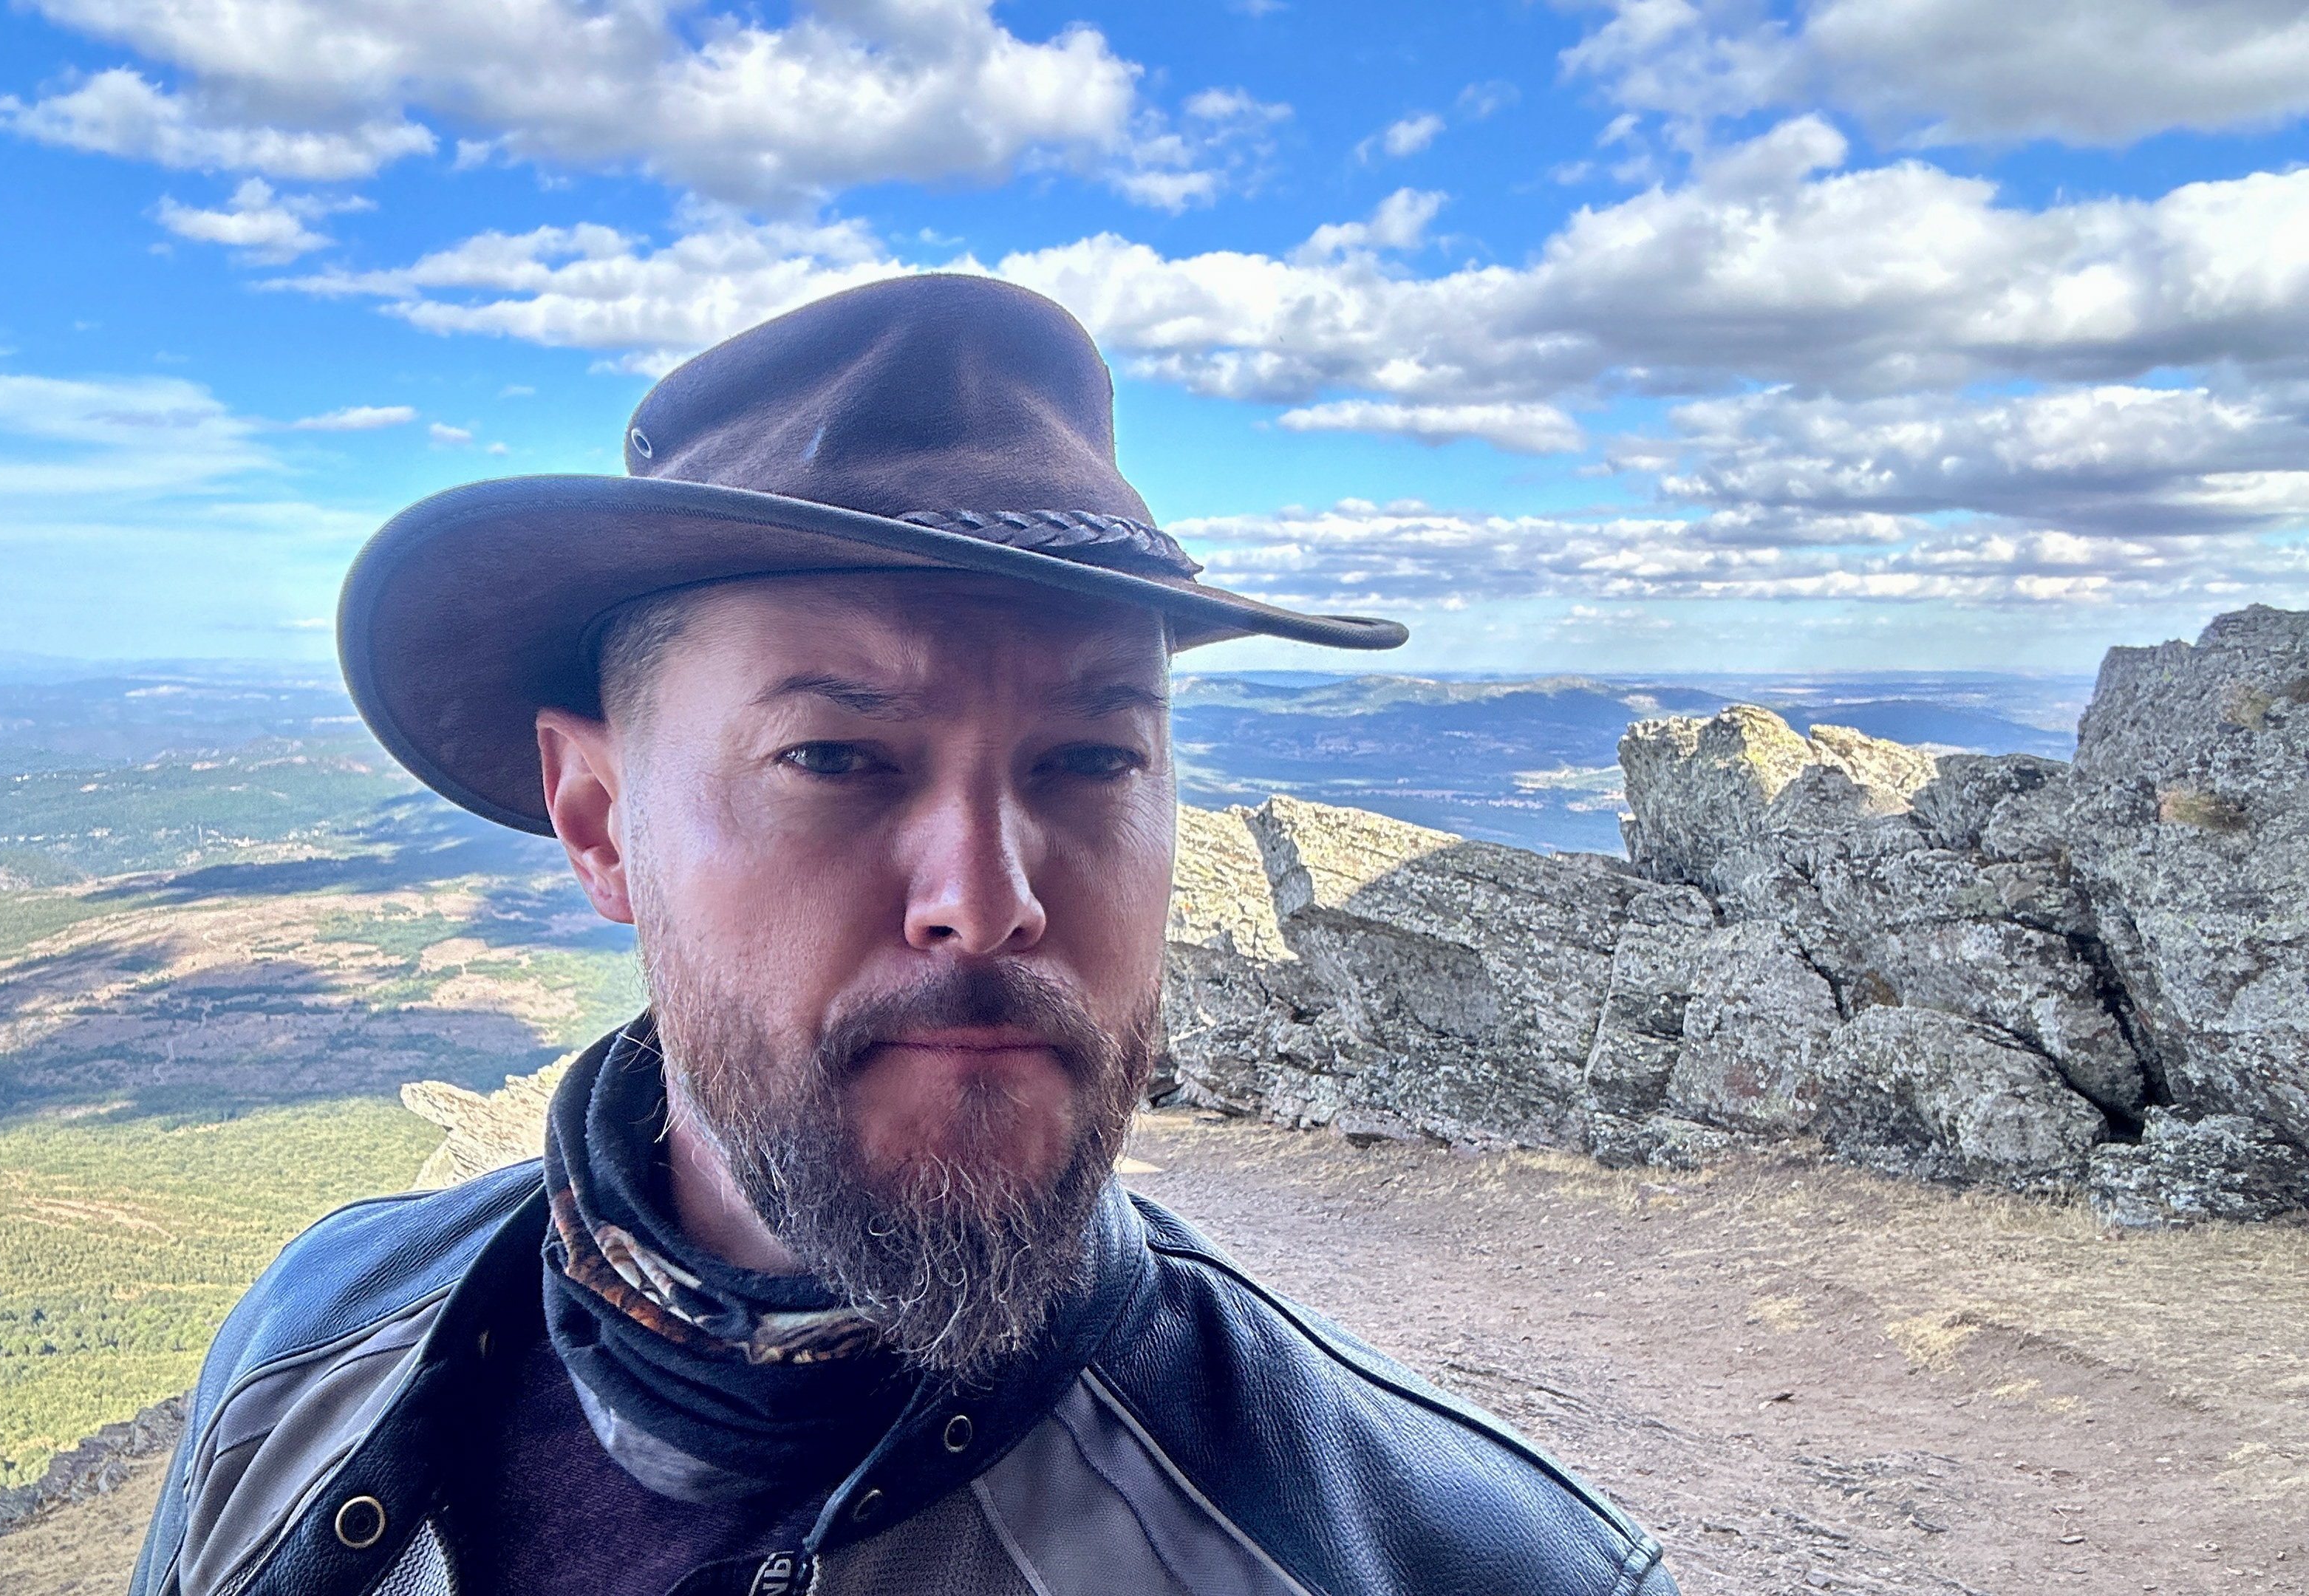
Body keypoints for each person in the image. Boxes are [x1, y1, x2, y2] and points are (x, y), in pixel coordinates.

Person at [128, 274, 1678, 1596]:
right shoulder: (312, 1349)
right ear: (600, 821)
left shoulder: (1438, 1558)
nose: (991, 900)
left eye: (1094, 757)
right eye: (837, 757)